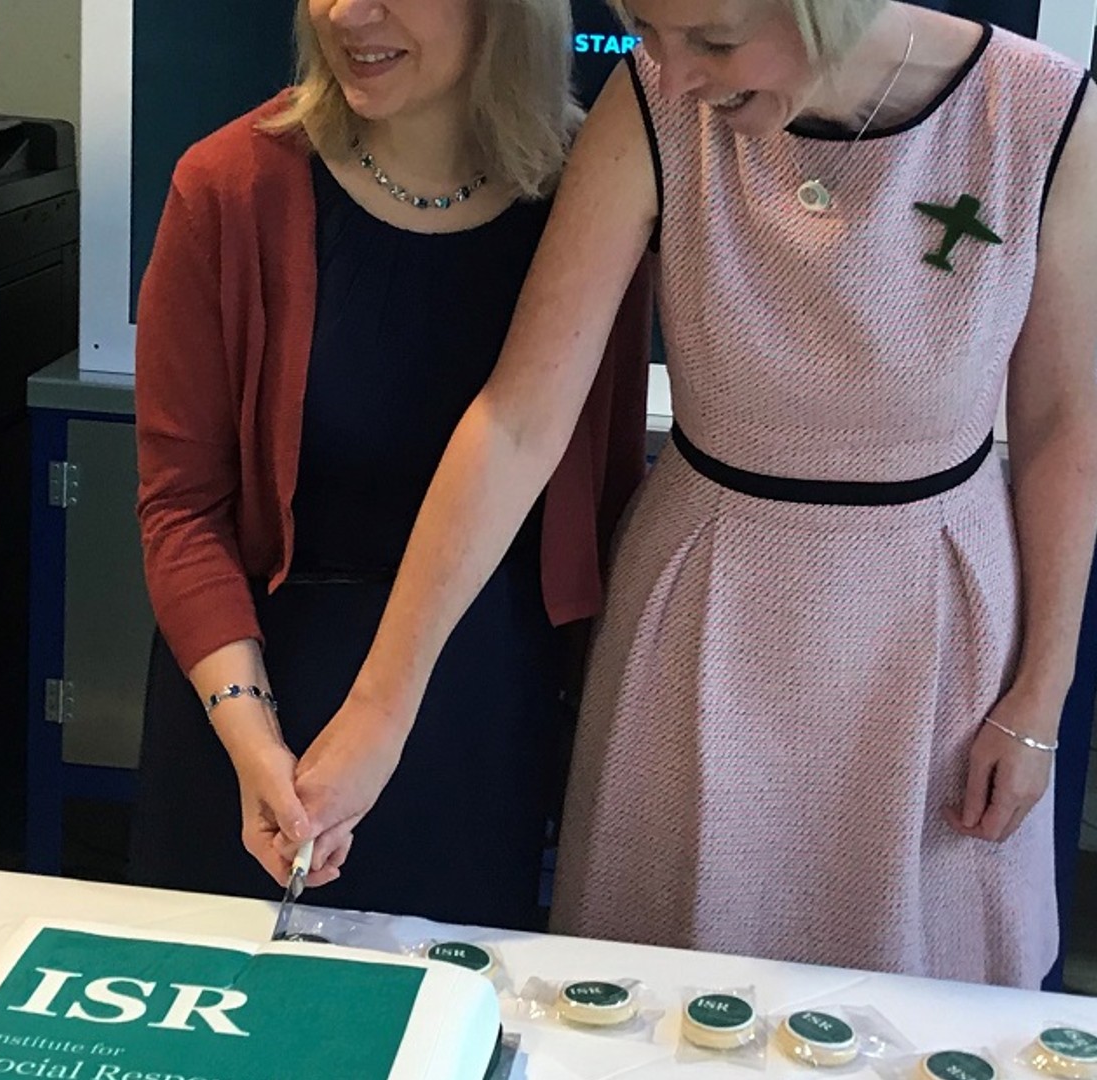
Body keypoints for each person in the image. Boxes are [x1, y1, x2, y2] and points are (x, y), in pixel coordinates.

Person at [290, 0, 1096, 985]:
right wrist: (382, 706)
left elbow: (1062, 429)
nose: (672, 75)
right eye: (645, 29)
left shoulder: (1041, 114)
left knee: (920, 992)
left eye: (713, 40)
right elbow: (518, 420)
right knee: (658, 998)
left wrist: (1038, 697)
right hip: (706, 607)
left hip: (933, 625)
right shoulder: (654, 109)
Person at [127, 0, 654, 929]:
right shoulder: (228, 186)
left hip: (476, 713)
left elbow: (597, 502)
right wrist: (255, 744)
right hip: (253, 694)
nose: (345, 13)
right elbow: (182, 510)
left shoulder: (594, 201)